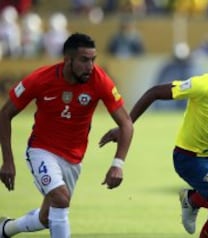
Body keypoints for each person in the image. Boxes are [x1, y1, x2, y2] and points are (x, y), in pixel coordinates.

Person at [99, 33, 208, 237]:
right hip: (188, 157)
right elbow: (154, 92)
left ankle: (193, 199)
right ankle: (192, 199)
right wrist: (125, 124)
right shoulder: (203, 85)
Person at [0, 33, 134, 238]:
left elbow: (126, 123)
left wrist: (118, 165)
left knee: (47, 217)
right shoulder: (40, 79)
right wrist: (7, 161)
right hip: (41, 150)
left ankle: (5, 229)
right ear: (68, 60)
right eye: (84, 60)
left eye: (93, 59)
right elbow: (5, 114)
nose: (90, 66)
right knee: (61, 199)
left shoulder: (100, 80)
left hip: (73, 159)